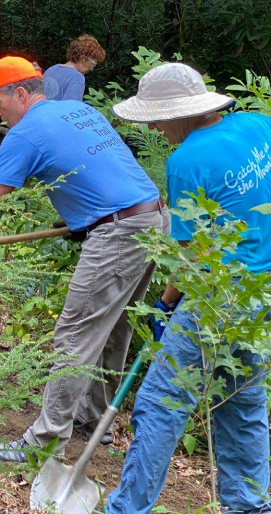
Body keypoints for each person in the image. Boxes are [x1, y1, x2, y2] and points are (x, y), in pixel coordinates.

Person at [0, 55, 170, 462]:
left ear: (20, 92)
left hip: (119, 230)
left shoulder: (25, 134)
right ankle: (91, 418)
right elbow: (96, 170)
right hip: (151, 217)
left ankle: (45, 441)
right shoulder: (77, 110)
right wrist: (84, 217)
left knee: (74, 334)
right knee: (114, 326)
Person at [106, 62, 271, 514]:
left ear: (182, 112)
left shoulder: (187, 161)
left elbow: (193, 257)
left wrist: (164, 305)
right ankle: (249, 505)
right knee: (241, 403)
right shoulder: (260, 125)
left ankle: (127, 508)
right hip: (263, 296)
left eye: (157, 117)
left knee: (160, 403)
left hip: (218, 297)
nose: (155, 127)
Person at [44, 34, 105, 101]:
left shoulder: (51, 69)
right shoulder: (77, 78)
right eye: (92, 64)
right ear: (83, 59)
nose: (91, 68)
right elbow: (71, 108)